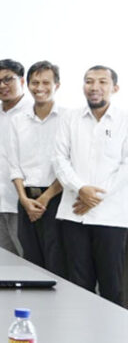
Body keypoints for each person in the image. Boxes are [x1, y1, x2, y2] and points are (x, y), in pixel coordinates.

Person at [53, 65, 128, 305]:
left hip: (111, 217)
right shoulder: (69, 118)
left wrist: (95, 198)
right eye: (89, 81)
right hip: (73, 214)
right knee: (77, 284)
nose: (94, 87)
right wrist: (81, 190)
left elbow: (125, 167)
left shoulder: (124, 120)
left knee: (112, 285)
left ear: (114, 88)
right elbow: (59, 159)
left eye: (102, 82)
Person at [7, 61, 65, 277]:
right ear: (27, 84)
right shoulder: (18, 120)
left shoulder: (67, 118)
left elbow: (68, 164)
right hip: (26, 199)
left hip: (57, 198)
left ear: (57, 85)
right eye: (35, 82)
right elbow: (14, 165)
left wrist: (46, 197)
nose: (40, 87)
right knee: (31, 262)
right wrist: (24, 200)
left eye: (46, 82)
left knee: (57, 261)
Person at [0, 59, 33, 255]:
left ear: (22, 81)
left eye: (8, 79)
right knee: (2, 262)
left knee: (30, 262)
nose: (2, 85)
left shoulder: (33, 114)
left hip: (23, 203)